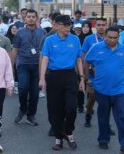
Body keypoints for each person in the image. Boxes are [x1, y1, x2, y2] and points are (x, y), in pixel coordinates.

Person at [85, 27, 124, 154]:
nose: (112, 40)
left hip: (119, 90)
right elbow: (86, 61)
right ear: (105, 36)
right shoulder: (96, 48)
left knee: (122, 117)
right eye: (110, 37)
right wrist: (88, 78)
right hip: (101, 89)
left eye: (115, 38)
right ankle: (103, 139)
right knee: (103, 116)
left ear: (118, 37)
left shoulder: (123, 49)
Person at [39, 14, 85, 151]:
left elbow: (78, 60)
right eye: (65, 25)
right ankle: (58, 139)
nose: (68, 28)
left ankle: (68, 132)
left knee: (71, 107)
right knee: (55, 109)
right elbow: (45, 59)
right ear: (57, 25)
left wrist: (82, 78)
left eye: (70, 25)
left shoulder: (75, 39)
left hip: (70, 76)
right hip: (54, 76)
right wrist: (42, 78)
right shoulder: (49, 40)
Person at [11, 9, 46, 126]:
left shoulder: (42, 32)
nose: (31, 18)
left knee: (35, 93)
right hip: (23, 65)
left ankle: (31, 115)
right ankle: (22, 109)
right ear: (25, 18)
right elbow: (15, 50)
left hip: (38, 66)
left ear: (36, 18)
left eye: (33, 17)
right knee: (23, 89)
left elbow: (45, 52)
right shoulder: (19, 33)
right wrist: (11, 66)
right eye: (28, 16)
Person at [81, 18, 107, 127]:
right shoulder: (89, 39)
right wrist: (88, 71)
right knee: (92, 97)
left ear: (106, 26)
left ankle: (106, 124)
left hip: (106, 74)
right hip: (92, 73)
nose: (101, 27)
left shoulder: (110, 38)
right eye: (99, 25)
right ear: (95, 26)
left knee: (106, 101)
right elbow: (83, 55)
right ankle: (88, 114)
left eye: (103, 25)